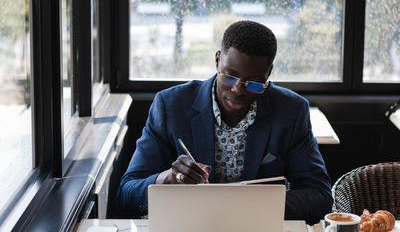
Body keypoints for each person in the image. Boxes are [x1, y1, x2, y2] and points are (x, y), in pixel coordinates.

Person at [117, 20, 332, 224]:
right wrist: (167, 180)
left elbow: (320, 196)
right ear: (218, 59)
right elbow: (127, 194)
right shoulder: (171, 106)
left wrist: (247, 206)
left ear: (269, 74)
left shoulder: (291, 111)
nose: (238, 90)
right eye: (229, 76)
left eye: (254, 84)